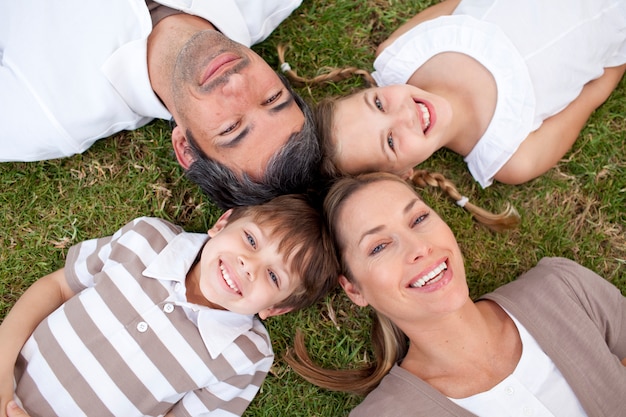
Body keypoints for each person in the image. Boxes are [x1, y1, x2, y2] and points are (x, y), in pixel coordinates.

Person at [286, 172, 626, 416]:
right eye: (378, 247)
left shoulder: (561, 287)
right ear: (354, 290)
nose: (419, 247)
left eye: (418, 219)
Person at [0, 194, 339, 417]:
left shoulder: (245, 357)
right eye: (251, 239)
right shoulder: (147, 239)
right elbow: (58, 287)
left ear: (275, 309)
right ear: (222, 223)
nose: (248, 265)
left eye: (274, 277)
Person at [0, 0, 320, 209]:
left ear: (186, 148)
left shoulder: (46, 117)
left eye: (231, 127)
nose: (236, 82)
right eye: (273, 98)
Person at [282, 0, 626, 187]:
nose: (405, 115)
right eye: (390, 141)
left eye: (378, 103)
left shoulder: (403, 51)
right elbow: (597, 89)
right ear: (402, 174)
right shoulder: (510, 157)